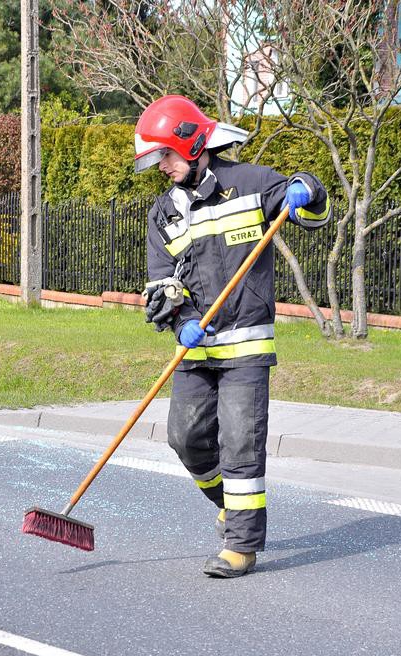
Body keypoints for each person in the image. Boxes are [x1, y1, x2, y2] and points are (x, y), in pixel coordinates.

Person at [136, 95, 331, 578]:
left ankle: (241, 547)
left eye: (166, 155)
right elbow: (161, 280)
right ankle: (230, 505)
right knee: (186, 440)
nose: (162, 166)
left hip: (246, 348)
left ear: (193, 143)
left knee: (241, 445)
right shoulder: (163, 215)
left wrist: (308, 188)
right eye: (157, 158)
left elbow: (311, 209)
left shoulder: (250, 184)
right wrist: (176, 315)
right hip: (195, 348)